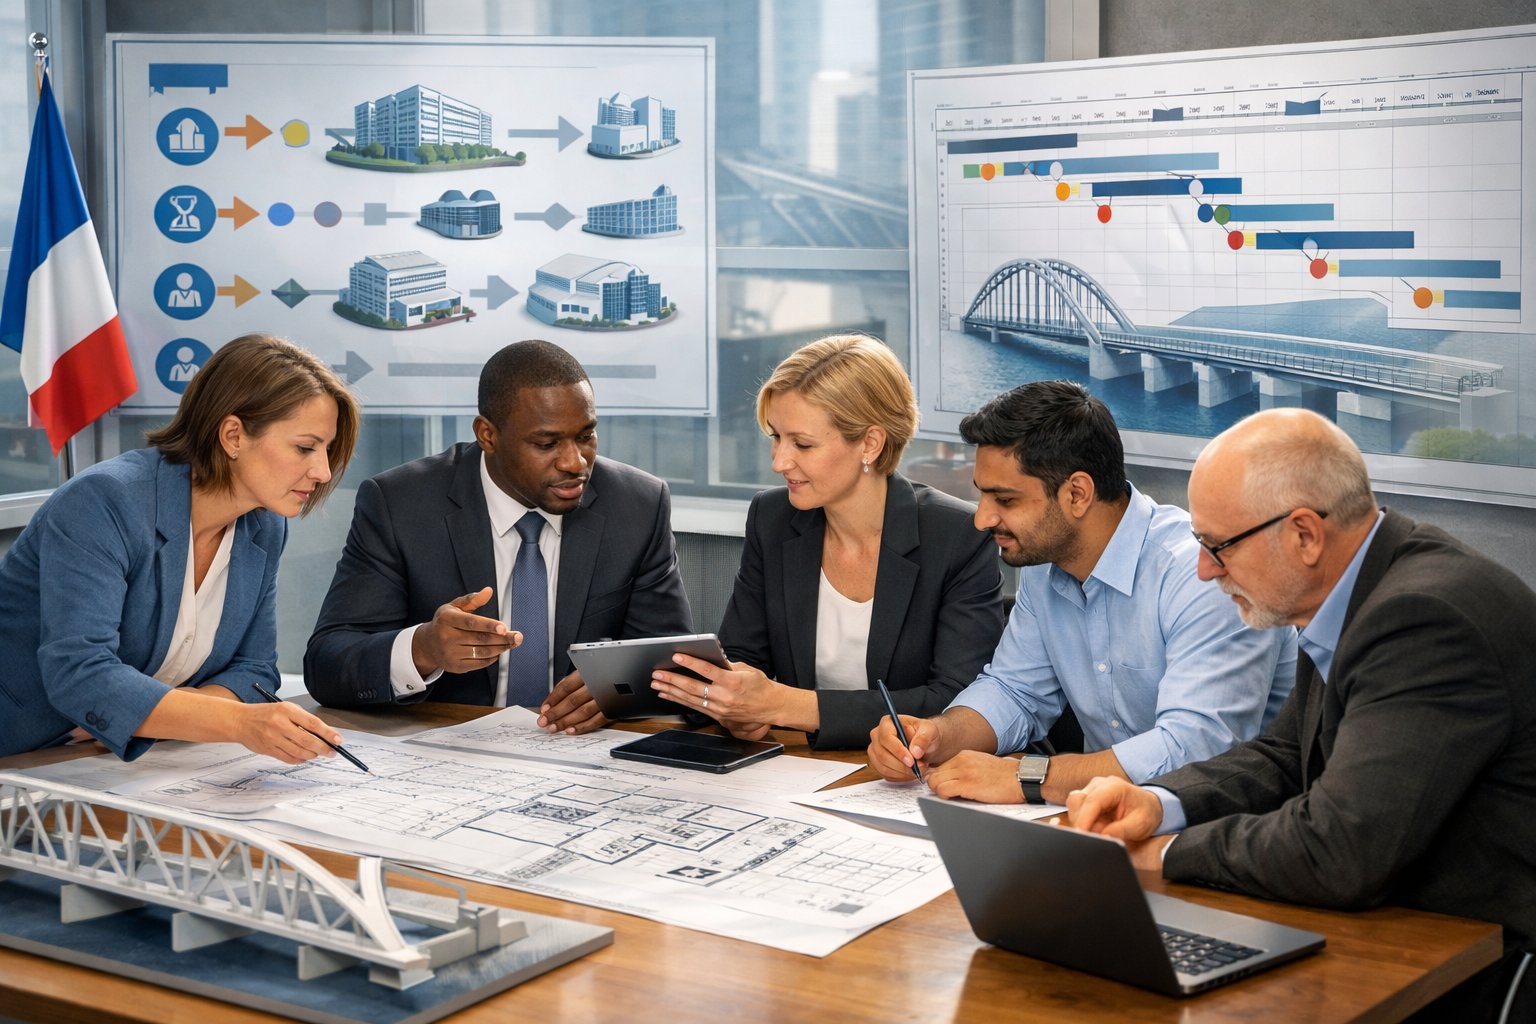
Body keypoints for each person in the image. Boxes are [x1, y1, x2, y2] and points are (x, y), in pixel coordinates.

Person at [1066, 407, 1536, 1019]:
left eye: (1217, 547)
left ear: (1305, 535)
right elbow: (1287, 755)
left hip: (1484, 971)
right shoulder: (1355, 586)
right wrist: (1158, 804)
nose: (1205, 570)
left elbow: (1339, 849)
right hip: (1402, 928)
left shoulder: (1423, 617)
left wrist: (1169, 851)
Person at [868, 380, 1296, 803]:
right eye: (983, 496)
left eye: (1005, 500)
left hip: (1230, 829)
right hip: (1106, 818)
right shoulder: (1047, 563)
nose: (982, 519)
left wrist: (1028, 776)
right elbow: (1015, 691)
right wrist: (938, 735)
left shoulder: (1201, 576)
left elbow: (1196, 750)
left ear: (1077, 493)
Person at [0, 333, 360, 762]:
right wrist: (236, 722)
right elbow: (81, 673)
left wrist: (159, 718)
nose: (322, 471)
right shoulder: (104, 501)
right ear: (232, 435)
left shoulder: (263, 525)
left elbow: (255, 670)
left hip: (109, 764)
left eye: (327, 450)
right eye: (305, 447)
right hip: (20, 751)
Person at [304, 339, 694, 734]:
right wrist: (423, 649)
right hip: (447, 755)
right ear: (487, 435)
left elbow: (677, 665)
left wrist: (616, 691)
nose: (575, 462)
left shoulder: (637, 505)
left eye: (586, 436)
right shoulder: (401, 505)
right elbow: (328, 665)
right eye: (547, 443)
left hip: (582, 752)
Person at [650, 334, 1006, 750]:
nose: (779, 461)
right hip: (800, 766)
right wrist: (736, 709)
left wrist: (789, 706)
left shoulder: (957, 535)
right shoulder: (773, 517)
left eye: (802, 444)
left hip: (911, 773)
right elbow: (744, 657)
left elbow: (956, 701)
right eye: (776, 437)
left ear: (870, 443)